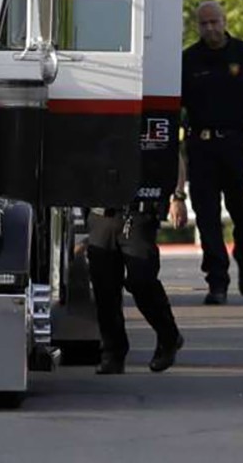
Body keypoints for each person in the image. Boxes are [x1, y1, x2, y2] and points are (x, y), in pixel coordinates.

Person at [182, 1, 243, 305]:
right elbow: (176, 106)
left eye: (214, 22)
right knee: (207, 217)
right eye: (204, 23)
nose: (210, 28)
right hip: (202, 147)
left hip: (238, 146)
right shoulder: (189, 60)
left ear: (224, 21)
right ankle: (216, 281)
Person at [87, 155, 188, 374]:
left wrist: (178, 196)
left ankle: (168, 336)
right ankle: (112, 353)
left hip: (138, 213)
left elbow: (172, 153)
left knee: (142, 280)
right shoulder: (95, 124)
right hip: (100, 213)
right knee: (105, 288)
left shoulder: (147, 122)